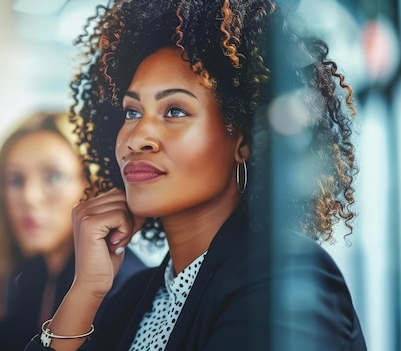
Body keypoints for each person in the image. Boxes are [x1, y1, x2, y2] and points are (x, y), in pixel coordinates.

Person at [24, 0, 367, 350]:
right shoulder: (131, 299)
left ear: (245, 139)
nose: (137, 138)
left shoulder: (284, 278)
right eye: (131, 112)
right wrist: (86, 290)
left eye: (174, 110)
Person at [0, 112, 145, 350]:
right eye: (15, 180)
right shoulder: (29, 275)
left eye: (53, 176)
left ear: (91, 185)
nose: (29, 197)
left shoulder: (127, 287)